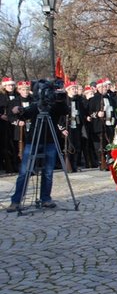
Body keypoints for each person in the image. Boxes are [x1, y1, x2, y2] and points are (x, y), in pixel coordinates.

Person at [6, 81, 69, 212]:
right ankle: (16, 201)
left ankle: (46, 198)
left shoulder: (55, 105)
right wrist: (17, 110)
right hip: (33, 141)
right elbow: (25, 114)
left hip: (50, 141)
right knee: (25, 172)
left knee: (48, 172)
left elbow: (65, 110)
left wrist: (61, 98)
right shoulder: (37, 106)